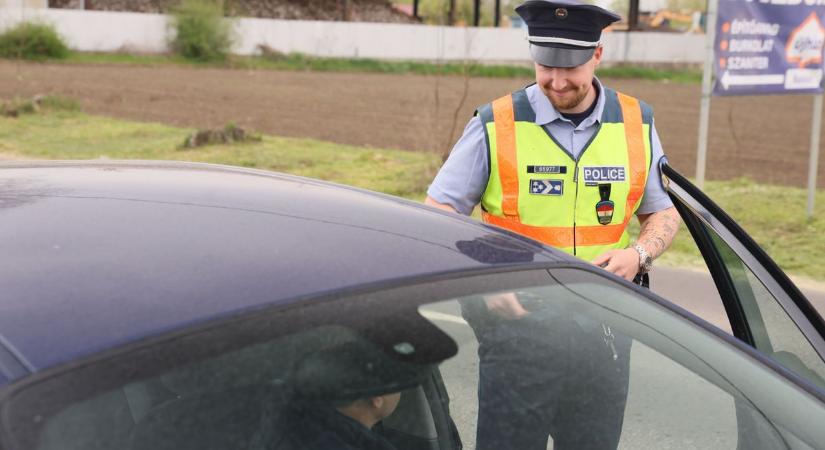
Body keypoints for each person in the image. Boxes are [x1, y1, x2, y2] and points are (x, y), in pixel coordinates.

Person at [424, 0, 681, 448]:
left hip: (605, 330)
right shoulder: (495, 124)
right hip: (518, 331)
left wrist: (638, 254)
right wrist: (486, 276)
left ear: (597, 55)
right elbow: (438, 213)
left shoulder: (637, 124)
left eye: (571, 69)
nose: (556, 82)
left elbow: (663, 211)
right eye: (546, 67)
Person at [272, 341, 424, 450]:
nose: (400, 391)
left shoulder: (292, 422)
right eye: (396, 385)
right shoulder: (359, 444)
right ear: (377, 398)